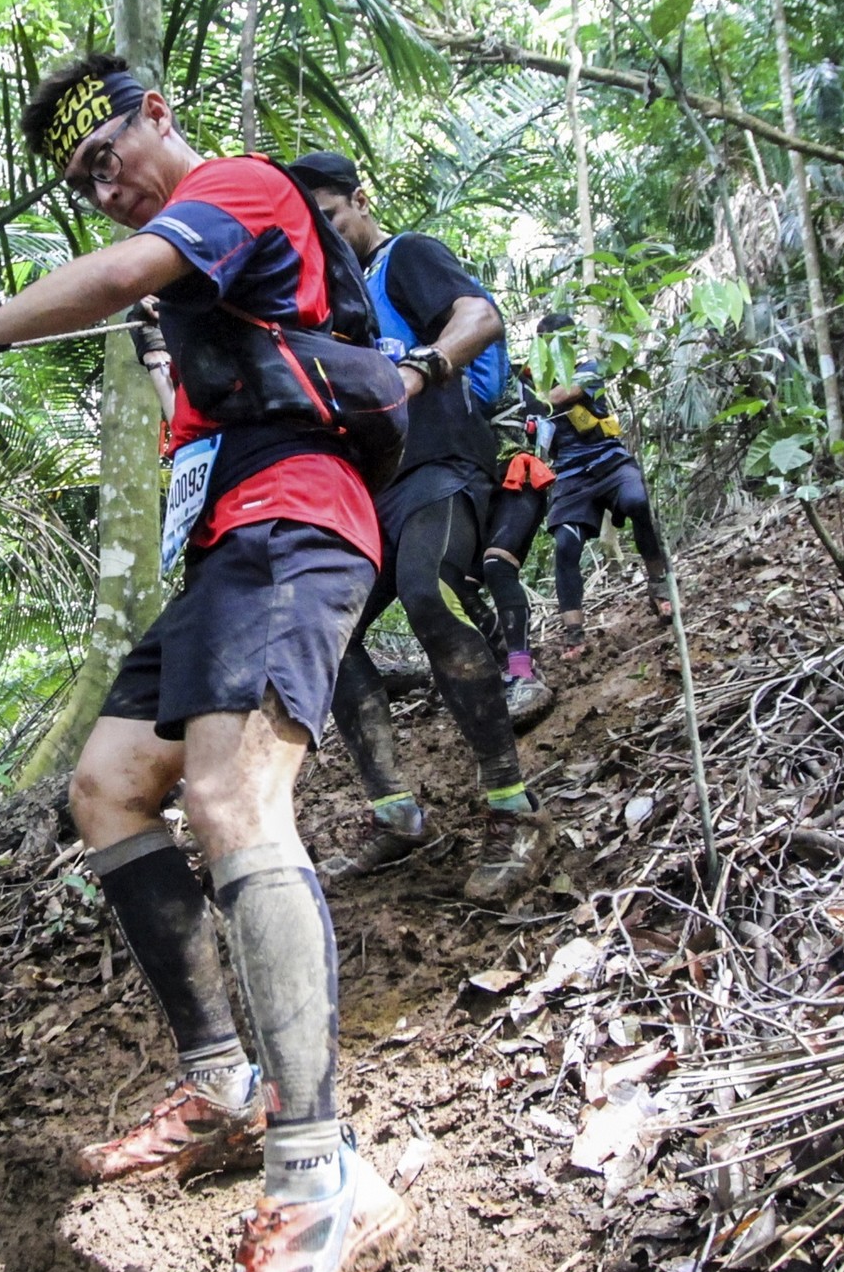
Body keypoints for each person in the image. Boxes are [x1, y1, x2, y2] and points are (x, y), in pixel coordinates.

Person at [0, 54, 413, 1272]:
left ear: (158, 116)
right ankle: (228, 1088)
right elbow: (161, 312)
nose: (107, 186)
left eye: (109, 155)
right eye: (81, 182)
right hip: (228, 561)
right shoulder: (191, 306)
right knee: (104, 786)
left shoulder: (239, 189)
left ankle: (323, 1182)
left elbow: (130, 271)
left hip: (298, 522)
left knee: (234, 796)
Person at [282, 151, 552, 908]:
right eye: (313, 232)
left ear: (362, 200)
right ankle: (395, 815)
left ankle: (514, 808)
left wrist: (421, 368)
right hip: (369, 493)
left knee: (429, 589)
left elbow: (479, 317)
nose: (329, 241)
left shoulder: (408, 257)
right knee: (323, 636)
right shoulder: (323, 310)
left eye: (332, 219)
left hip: (441, 462)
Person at [539, 312, 673, 646]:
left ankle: (658, 584)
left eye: (563, 340)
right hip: (571, 476)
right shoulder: (535, 382)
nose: (557, 347)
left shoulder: (589, 370)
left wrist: (533, 399)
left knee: (637, 503)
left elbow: (563, 395)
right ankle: (574, 634)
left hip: (610, 461)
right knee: (566, 545)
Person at [476, 360, 556, 727]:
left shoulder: (506, 378)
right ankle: (505, 662)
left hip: (519, 478)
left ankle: (522, 671)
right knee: (454, 585)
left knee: (497, 565)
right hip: (481, 490)